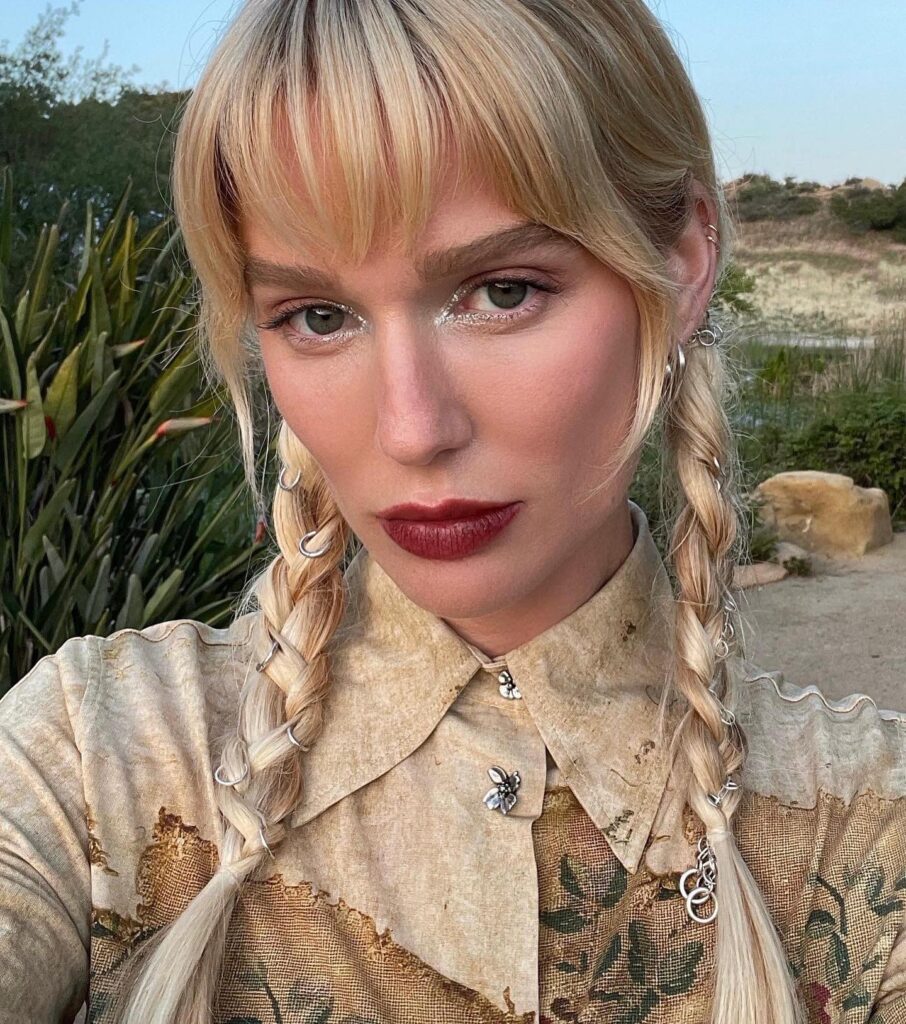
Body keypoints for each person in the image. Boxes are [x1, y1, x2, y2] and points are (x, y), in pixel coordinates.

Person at [0, 1, 904, 1022]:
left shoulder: (864, 820)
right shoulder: (95, 752)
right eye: (320, 317)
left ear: (684, 265)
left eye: (504, 291)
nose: (413, 427)